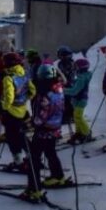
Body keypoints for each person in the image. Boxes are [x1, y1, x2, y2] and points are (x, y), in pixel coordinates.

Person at [22, 65, 68, 202]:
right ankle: (58, 176)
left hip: (44, 130)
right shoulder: (58, 89)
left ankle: (34, 189)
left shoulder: (45, 94)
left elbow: (42, 115)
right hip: (55, 127)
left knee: (34, 158)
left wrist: (30, 124)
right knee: (50, 151)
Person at [0, 51, 33, 172]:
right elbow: (32, 91)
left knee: (12, 137)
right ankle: (31, 158)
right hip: (23, 110)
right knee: (22, 135)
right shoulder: (24, 74)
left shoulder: (8, 78)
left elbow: (9, 96)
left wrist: (4, 106)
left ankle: (18, 161)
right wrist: (24, 100)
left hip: (11, 112)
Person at [64, 57, 93, 144]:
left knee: (78, 116)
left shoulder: (82, 78)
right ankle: (79, 132)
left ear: (81, 68)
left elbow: (74, 91)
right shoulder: (80, 77)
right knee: (76, 117)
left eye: (75, 67)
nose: (74, 68)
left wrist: (63, 90)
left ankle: (87, 133)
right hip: (77, 100)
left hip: (81, 100)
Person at [55, 45, 76, 127]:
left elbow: (71, 74)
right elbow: (60, 73)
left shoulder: (71, 63)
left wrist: (67, 80)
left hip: (70, 84)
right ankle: (65, 115)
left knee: (68, 101)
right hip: (63, 84)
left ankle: (70, 116)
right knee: (63, 100)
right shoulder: (60, 63)